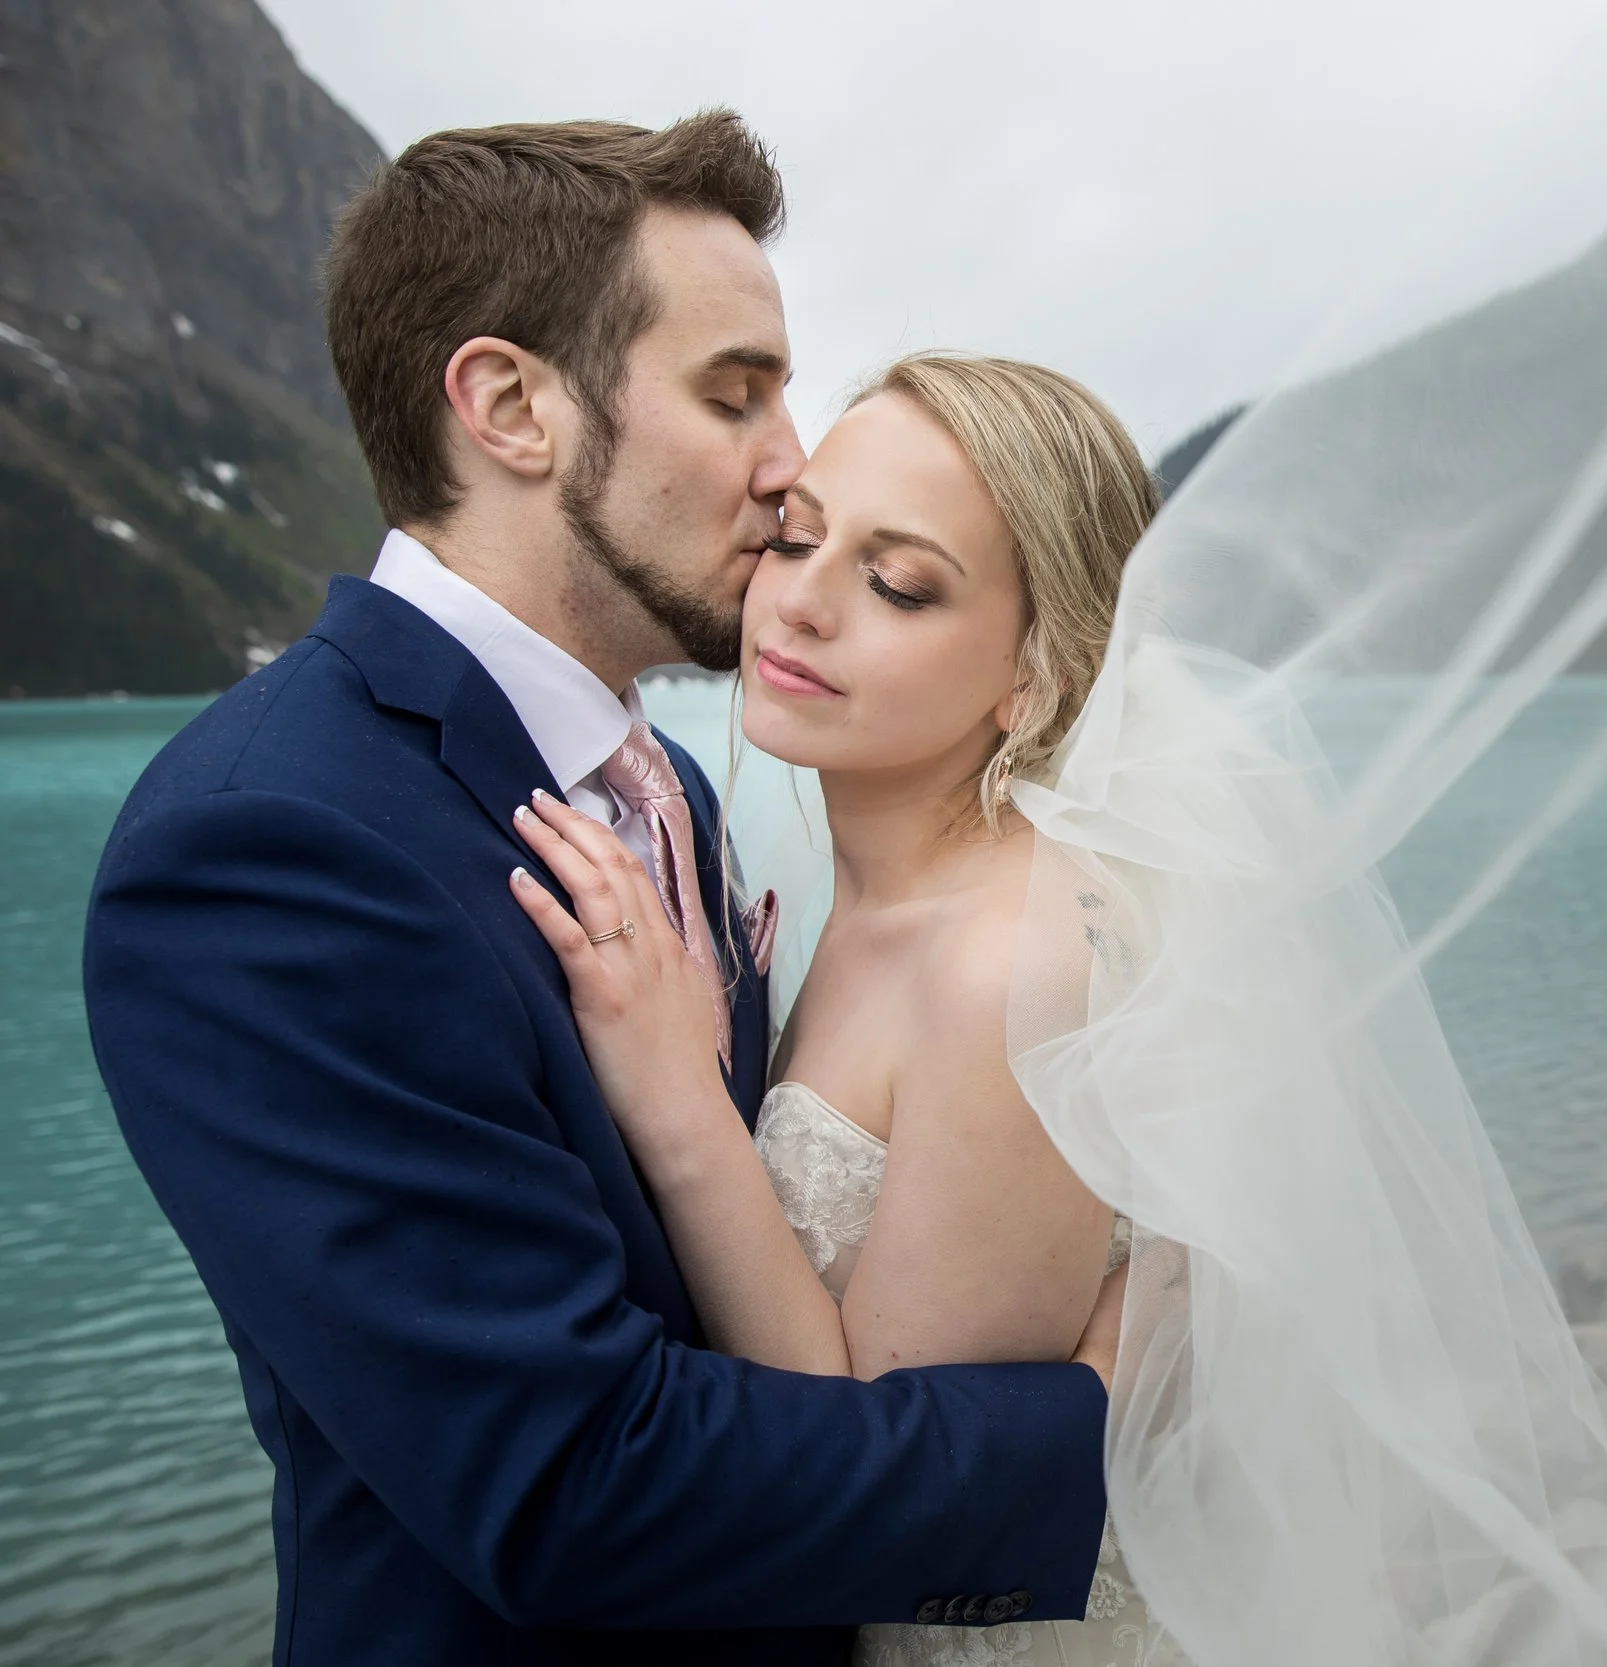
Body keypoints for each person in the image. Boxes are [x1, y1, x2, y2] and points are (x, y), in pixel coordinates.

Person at [82, 115, 1120, 1667]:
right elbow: (563, 1480)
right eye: (735, 394)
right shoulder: (272, 847)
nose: (787, 472)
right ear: (510, 407)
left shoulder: (669, 793)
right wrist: (1094, 1437)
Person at [510, 352, 1173, 1666]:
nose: (799, 604)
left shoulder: (1004, 963)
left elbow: (880, 1481)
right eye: (799, 538)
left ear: (1033, 677)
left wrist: (679, 1106)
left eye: (898, 582)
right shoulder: (829, 878)